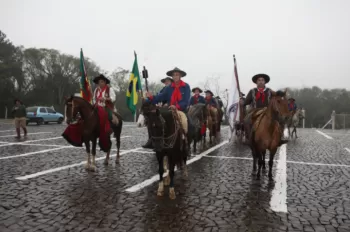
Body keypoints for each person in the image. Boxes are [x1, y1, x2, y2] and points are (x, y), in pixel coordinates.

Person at [145, 67, 191, 144]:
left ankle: (185, 140)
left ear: (180, 76)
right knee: (156, 120)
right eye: (174, 75)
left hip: (181, 110)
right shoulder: (168, 88)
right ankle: (154, 139)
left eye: (177, 75)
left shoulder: (186, 86)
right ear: (172, 77)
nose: (175, 76)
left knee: (186, 123)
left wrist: (177, 106)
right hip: (169, 109)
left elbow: (186, 101)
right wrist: (151, 97)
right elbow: (161, 97)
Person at [240, 73, 288, 145]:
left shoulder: (269, 91)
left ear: (265, 82)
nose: (261, 81)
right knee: (246, 120)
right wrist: (242, 102)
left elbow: (277, 95)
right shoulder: (252, 91)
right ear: (256, 82)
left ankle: (280, 138)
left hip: (267, 111)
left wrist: (282, 93)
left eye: (262, 80)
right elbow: (246, 101)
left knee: (279, 119)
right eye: (259, 80)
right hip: (255, 111)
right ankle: (248, 138)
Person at [142, 77, 173, 148]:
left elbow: (172, 98)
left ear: (171, 82)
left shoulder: (171, 89)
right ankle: (151, 139)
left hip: (169, 108)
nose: (166, 82)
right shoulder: (162, 90)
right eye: (165, 81)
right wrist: (148, 99)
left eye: (168, 81)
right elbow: (158, 98)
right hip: (160, 108)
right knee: (150, 121)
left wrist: (167, 104)